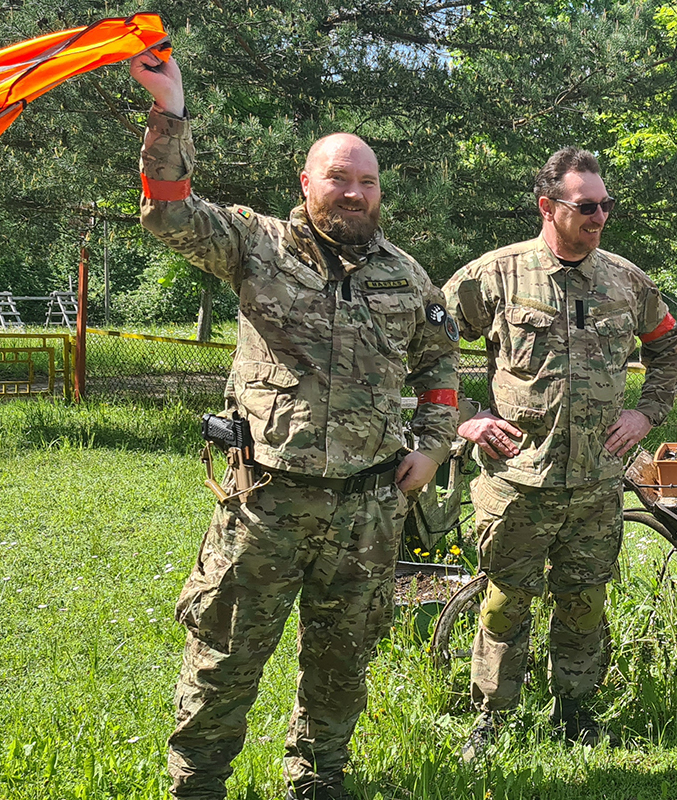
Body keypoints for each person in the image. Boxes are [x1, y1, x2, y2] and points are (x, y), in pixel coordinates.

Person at [131, 50, 459, 800]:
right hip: (266, 502)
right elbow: (168, 211)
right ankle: (197, 786)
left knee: (342, 662)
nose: (354, 192)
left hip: (367, 508)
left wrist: (433, 447)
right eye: (338, 177)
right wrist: (169, 112)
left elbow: (439, 365)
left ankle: (318, 779)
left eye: (366, 181)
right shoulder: (257, 245)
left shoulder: (406, 276)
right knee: (225, 657)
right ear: (305, 183)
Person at [443, 146, 677, 758]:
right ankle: (492, 720)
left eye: (606, 205)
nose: (600, 217)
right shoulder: (495, 276)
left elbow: (669, 346)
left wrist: (646, 412)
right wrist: (465, 418)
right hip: (517, 480)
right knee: (504, 601)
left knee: (585, 602)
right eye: (586, 206)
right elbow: (423, 343)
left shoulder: (626, 282)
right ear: (548, 207)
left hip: (596, 484)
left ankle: (575, 714)